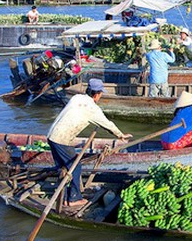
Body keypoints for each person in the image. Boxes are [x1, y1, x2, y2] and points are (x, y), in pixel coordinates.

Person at [46, 79, 133, 207]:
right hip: (61, 140)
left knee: (63, 168)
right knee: (75, 167)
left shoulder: (77, 97)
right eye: (101, 94)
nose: (101, 96)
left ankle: (63, 197)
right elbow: (107, 124)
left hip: (51, 136)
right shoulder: (92, 109)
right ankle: (73, 199)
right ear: (96, 94)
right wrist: (121, 135)